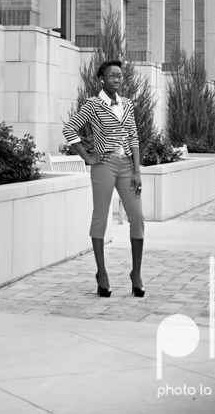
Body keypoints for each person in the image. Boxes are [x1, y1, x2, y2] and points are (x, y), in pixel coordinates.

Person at [62, 59, 145, 298]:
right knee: (100, 217)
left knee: (137, 216)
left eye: (119, 75)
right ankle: (101, 273)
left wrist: (137, 171)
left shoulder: (128, 104)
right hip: (104, 165)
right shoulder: (93, 104)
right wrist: (88, 158)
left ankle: (136, 274)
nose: (117, 79)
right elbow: (69, 129)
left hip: (128, 166)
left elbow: (134, 138)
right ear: (102, 78)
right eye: (111, 75)